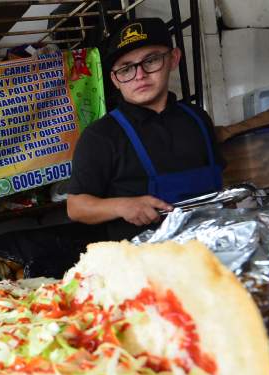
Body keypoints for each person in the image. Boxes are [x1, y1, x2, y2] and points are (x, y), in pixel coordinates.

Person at [66, 17, 224, 241]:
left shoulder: (198, 118)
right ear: (115, 79)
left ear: (173, 59)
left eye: (150, 61)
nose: (139, 75)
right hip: (145, 264)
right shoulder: (101, 136)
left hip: (215, 247)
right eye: (126, 68)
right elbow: (76, 207)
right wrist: (122, 206)